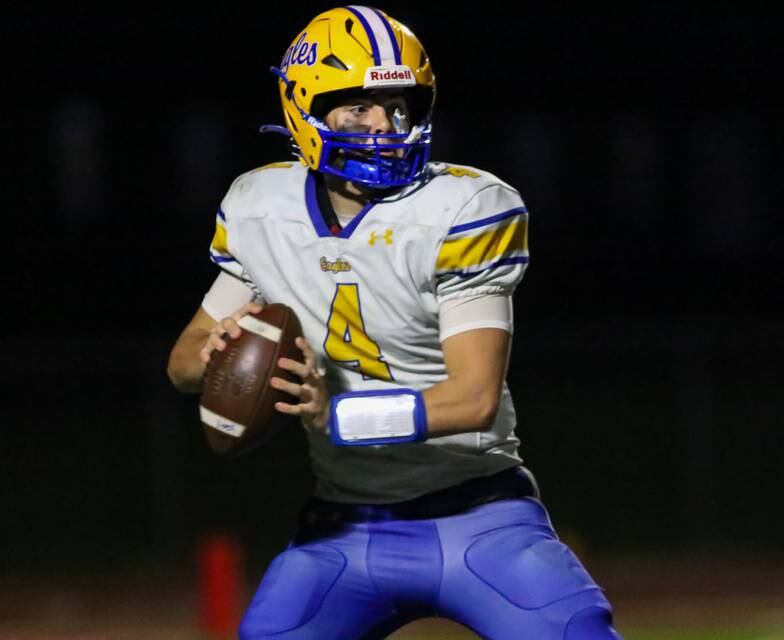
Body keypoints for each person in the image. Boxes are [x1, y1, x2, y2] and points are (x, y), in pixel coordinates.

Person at [167, 6, 623, 639]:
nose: (382, 124)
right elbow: (184, 362)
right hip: (344, 530)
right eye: (358, 106)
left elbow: (474, 398)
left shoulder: (462, 209)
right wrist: (214, 350)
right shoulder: (260, 208)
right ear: (307, 112)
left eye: (396, 104)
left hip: (481, 519)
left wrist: (336, 415)